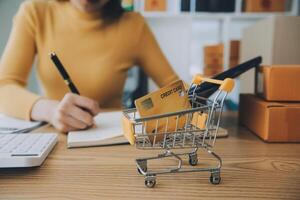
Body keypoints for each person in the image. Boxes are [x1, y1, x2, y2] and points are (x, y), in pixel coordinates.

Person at [0, 0, 179, 132]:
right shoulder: (35, 12)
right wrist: (51, 110)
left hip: (112, 139)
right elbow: (4, 86)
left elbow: (175, 90)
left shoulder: (133, 24)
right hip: (53, 137)